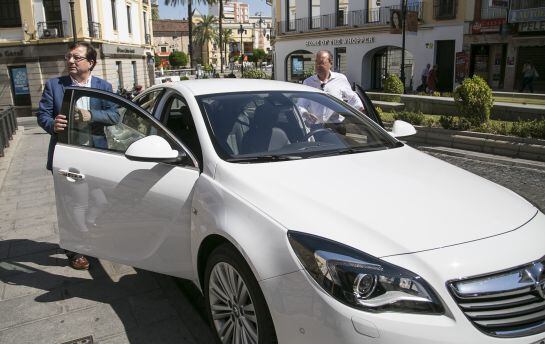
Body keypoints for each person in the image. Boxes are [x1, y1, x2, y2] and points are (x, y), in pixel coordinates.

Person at [36, 42, 115, 270]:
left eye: (76, 58)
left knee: (100, 200)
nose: (70, 61)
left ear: (90, 63)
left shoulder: (103, 86)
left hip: (96, 155)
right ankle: (76, 251)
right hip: (68, 156)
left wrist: (91, 114)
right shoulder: (54, 86)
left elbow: (114, 116)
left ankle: (85, 230)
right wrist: (53, 124)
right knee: (75, 203)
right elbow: (42, 115)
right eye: (68, 57)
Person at [302, 50, 364, 124]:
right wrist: (306, 114)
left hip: (337, 127)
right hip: (316, 127)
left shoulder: (340, 79)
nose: (318, 65)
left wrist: (352, 114)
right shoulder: (308, 82)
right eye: (316, 62)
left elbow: (353, 99)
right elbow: (301, 104)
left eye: (322, 63)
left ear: (330, 63)